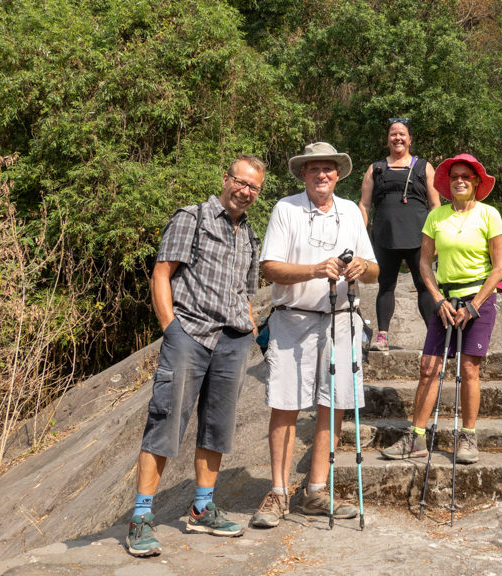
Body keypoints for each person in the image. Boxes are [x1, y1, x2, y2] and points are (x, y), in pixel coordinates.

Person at [126, 154, 265, 557]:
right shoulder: (193, 217)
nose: (246, 191)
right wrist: (170, 328)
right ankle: (140, 518)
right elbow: (161, 273)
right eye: (241, 182)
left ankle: (202, 509)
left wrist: (251, 326)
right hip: (190, 333)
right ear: (226, 178)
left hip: (234, 340)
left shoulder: (250, 234)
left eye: (254, 187)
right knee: (165, 423)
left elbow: (246, 291)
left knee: (217, 429)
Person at [252, 142, 379, 528]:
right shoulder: (285, 209)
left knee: (334, 402)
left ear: (338, 174)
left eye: (328, 169)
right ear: (303, 174)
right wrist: (312, 270)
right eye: (313, 169)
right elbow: (269, 268)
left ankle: (316, 491)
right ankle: (277, 491)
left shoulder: (351, 214)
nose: (321, 175)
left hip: (343, 319)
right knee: (286, 402)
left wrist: (360, 266)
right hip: (293, 319)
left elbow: (375, 270)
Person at [380, 153, 502, 464]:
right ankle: (417, 437)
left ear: (476, 181)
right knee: (428, 367)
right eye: (454, 176)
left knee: (469, 369)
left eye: (466, 176)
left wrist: (474, 306)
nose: (459, 180)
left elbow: (500, 266)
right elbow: (424, 262)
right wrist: (436, 299)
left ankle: (468, 436)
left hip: (479, 299)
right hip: (445, 301)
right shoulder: (436, 217)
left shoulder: (489, 215)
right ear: (447, 184)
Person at [358, 118, 440, 351]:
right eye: (393, 134)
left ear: (410, 139)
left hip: (419, 238)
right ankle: (382, 336)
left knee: (425, 286)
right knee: (386, 286)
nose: (397, 138)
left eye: (402, 134)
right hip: (385, 237)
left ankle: (433, 337)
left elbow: (435, 206)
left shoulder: (424, 167)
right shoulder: (376, 168)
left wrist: (436, 241)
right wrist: (358, 236)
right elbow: (364, 205)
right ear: (387, 140)